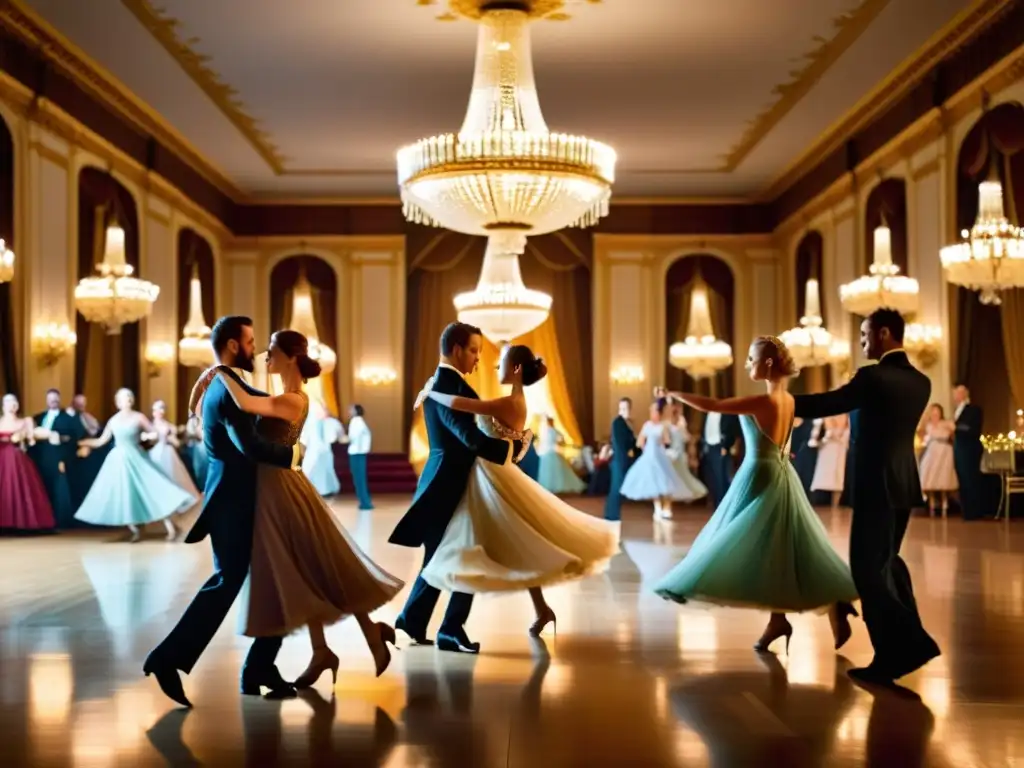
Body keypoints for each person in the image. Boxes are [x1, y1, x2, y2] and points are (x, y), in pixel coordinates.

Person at [192, 330, 403, 687]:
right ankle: (326, 648)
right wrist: (205, 383)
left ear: (290, 356)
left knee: (318, 565)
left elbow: (243, 403)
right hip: (272, 489)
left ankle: (366, 635)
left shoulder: (294, 400)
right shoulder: (279, 396)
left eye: (271, 350)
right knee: (304, 569)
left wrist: (220, 371)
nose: (264, 356)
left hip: (284, 491)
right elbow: (221, 409)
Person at [656, 336, 858, 653]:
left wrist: (673, 394)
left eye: (751, 359)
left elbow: (715, 406)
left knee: (738, 543)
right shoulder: (790, 401)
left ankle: (808, 610)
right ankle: (787, 617)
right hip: (782, 474)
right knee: (780, 549)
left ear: (766, 364)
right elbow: (783, 441)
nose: (748, 364)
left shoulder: (762, 402)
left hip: (760, 474)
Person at [144, 316, 301, 708]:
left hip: (241, 498)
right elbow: (248, 446)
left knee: (266, 580)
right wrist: (294, 454)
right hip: (235, 500)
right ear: (233, 345)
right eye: (250, 342)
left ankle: (258, 667)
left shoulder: (224, 383)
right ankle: (169, 659)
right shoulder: (226, 387)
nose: (256, 349)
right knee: (232, 581)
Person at [418, 344, 619, 636]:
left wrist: (430, 392)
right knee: (518, 544)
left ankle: (452, 621)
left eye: (499, 363)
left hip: (494, 477)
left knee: (499, 542)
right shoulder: (513, 400)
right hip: (494, 474)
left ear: (514, 370)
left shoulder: (509, 402)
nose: (493, 366)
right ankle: (541, 610)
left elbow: (462, 405)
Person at [791, 307, 940, 685]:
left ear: (885, 333)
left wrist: (783, 401)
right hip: (905, 482)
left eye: (864, 334)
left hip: (876, 484)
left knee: (867, 570)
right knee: (888, 562)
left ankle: (898, 653)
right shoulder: (921, 382)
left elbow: (830, 403)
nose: (861, 343)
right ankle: (909, 644)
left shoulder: (873, 377)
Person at [389, 322, 513, 653]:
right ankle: (450, 628)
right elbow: (469, 438)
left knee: (442, 555)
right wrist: (512, 450)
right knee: (468, 553)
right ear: (456, 349)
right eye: (474, 351)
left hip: (446, 479)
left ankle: (413, 619)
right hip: (448, 483)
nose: (477, 359)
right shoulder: (447, 383)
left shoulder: (442, 381)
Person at [74, 388, 195, 542]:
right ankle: (135, 529)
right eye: (125, 398)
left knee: (151, 490)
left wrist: (149, 436)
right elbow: (101, 441)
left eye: (130, 397)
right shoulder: (114, 420)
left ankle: (171, 527)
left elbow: (154, 434)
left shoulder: (139, 417)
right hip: (119, 461)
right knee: (125, 495)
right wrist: (83, 442)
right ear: (118, 402)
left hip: (137, 458)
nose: (128, 400)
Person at [620, 398, 695, 520]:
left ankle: (666, 508)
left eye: (655, 410)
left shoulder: (663, 426)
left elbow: (667, 441)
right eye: (651, 410)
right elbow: (640, 442)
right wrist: (645, 448)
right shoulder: (647, 425)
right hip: (649, 455)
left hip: (660, 455)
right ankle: (658, 508)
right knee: (652, 482)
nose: (653, 413)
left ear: (659, 412)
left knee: (665, 482)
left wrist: (663, 442)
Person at [0, 393, 56, 532]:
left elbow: (32, 441)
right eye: (8, 402)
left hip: (18, 458)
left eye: (14, 401)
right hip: (2, 458)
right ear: (3, 405)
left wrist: (26, 435)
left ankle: (23, 522)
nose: (11, 405)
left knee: (20, 488)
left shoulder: (25, 421)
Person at [147, 399, 202, 514]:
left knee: (173, 476)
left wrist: (172, 438)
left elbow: (176, 442)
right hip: (156, 453)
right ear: (153, 412)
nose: (160, 411)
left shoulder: (169, 426)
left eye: (162, 409)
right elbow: (150, 440)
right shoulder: (150, 426)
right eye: (157, 409)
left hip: (168, 452)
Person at [918, 403, 958, 517]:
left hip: (944, 450)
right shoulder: (928, 425)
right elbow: (921, 435)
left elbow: (954, 434)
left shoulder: (947, 424)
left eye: (937, 412)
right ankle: (932, 504)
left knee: (943, 476)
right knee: (928, 474)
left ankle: (945, 503)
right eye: (933, 412)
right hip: (932, 450)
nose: (935, 414)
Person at [952, 384, 985, 520]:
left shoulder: (974, 409)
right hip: (959, 448)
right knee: (962, 479)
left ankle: (974, 512)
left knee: (970, 479)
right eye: (955, 393)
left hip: (970, 449)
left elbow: (972, 429)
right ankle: (967, 511)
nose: (955, 396)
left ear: (965, 394)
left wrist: (954, 427)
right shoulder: (956, 410)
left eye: (959, 393)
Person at [667, 402, 708, 502]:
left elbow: (685, 436)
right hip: (671, 451)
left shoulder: (681, 421)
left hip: (680, 450)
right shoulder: (667, 422)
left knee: (683, 473)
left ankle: (685, 493)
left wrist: (692, 439)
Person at [604, 398, 636, 521]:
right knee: (616, 490)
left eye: (626, 408)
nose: (623, 411)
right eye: (621, 408)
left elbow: (630, 444)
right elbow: (619, 444)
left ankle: (612, 517)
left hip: (622, 460)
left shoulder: (626, 423)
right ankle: (611, 518)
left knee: (618, 490)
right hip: (619, 461)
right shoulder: (618, 422)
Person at [536, 416, 586, 495]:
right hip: (552, 452)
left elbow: (542, 443)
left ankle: (548, 487)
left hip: (546, 452)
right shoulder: (554, 431)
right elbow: (561, 439)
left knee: (547, 471)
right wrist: (558, 444)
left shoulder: (544, 432)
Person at [810, 414, 850, 511]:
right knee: (823, 476)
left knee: (838, 479)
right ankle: (815, 503)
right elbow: (828, 429)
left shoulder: (846, 415)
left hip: (840, 449)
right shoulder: (828, 415)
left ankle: (835, 505)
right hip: (828, 448)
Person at [701, 409, 740, 507]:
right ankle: (715, 505)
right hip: (708, 448)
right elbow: (704, 431)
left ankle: (723, 505)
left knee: (721, 478)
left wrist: (726, 446)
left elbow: (733, 430)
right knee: (711, 478)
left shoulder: (727, 414)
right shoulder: (706, 413)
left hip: (721, 448)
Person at [346, 404, 374, 510]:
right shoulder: (360, 421)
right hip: (359, 452)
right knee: (360, 479)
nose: (349, 411)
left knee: (359, 479)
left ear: (356, 411)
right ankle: (365, 502)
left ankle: (365, 503)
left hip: (356, 453)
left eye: (351, 409)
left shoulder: (356, 421)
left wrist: (342, 439)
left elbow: (352, 437)